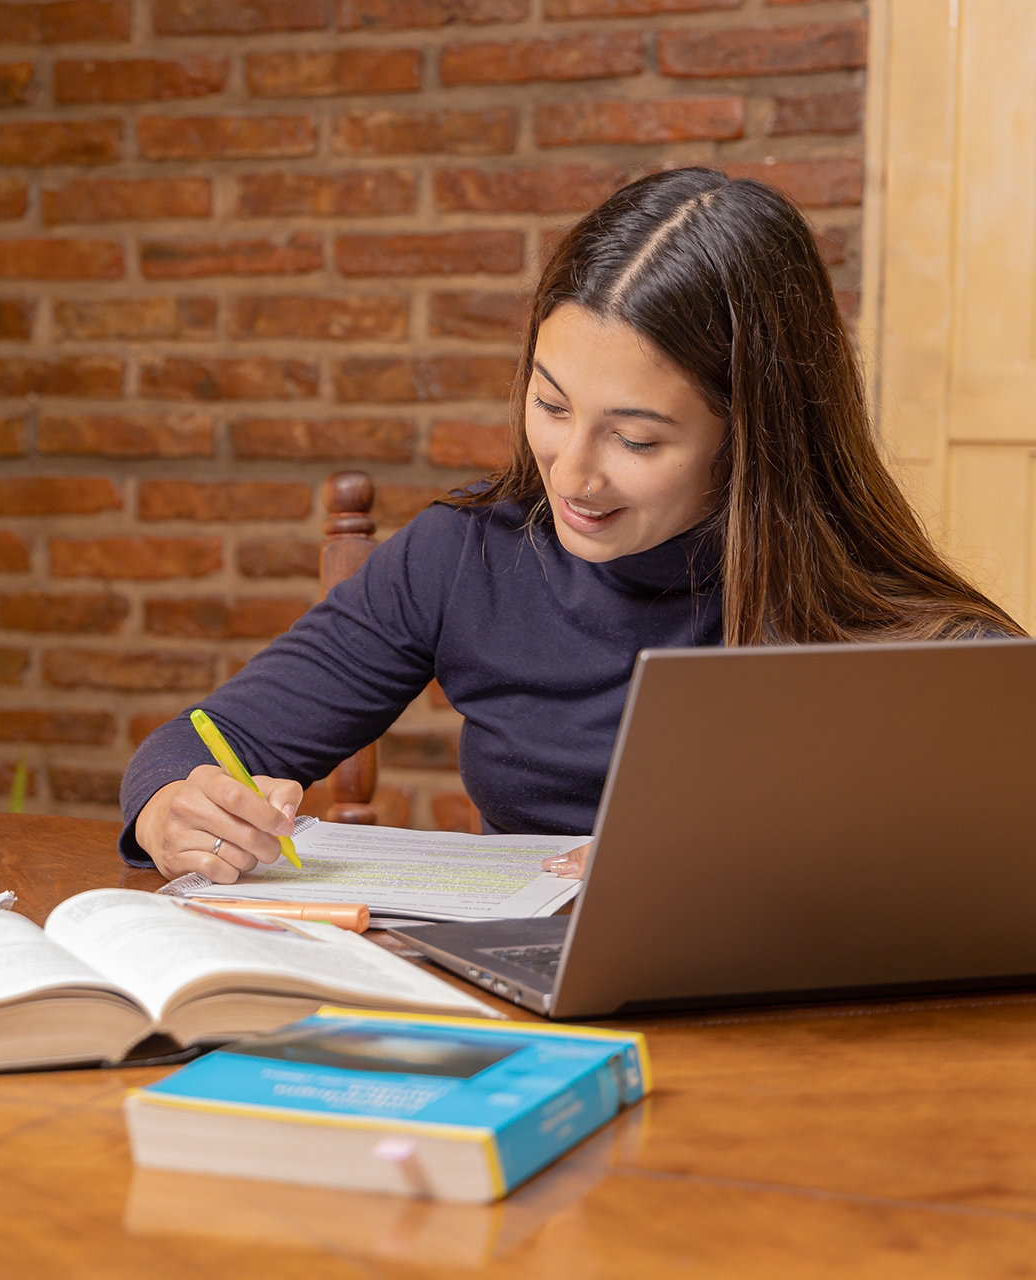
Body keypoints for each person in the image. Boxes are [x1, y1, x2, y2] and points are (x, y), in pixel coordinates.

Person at [122, 166, 1022, 884]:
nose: (573, 475)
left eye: (636, 437)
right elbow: (204, 741)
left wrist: (706, 875)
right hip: (524, 1011)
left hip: (801, 1051)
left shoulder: (907, 637)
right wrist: (174, 808)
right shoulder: (465, 555)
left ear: (753, 436)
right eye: (551, 405)